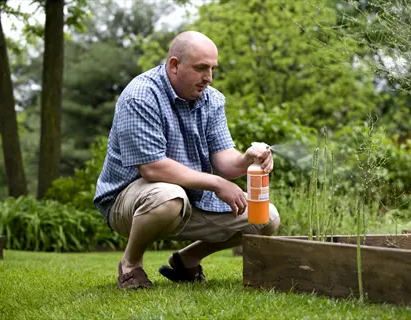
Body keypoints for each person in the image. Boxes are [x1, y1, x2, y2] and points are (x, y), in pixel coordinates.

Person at [93, 30, 280, 290]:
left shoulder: (211, 100)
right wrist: (217, 183)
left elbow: (225, 161)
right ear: (174, 65)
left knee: (266, 218)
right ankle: (130, 265)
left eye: (213, 69)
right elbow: (152, 168)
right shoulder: (140, 96)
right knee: (169, 196)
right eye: (201, 68)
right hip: (129, 202)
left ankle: (187, 260)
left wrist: (247, 158)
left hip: (188, 198)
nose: (209, 78)